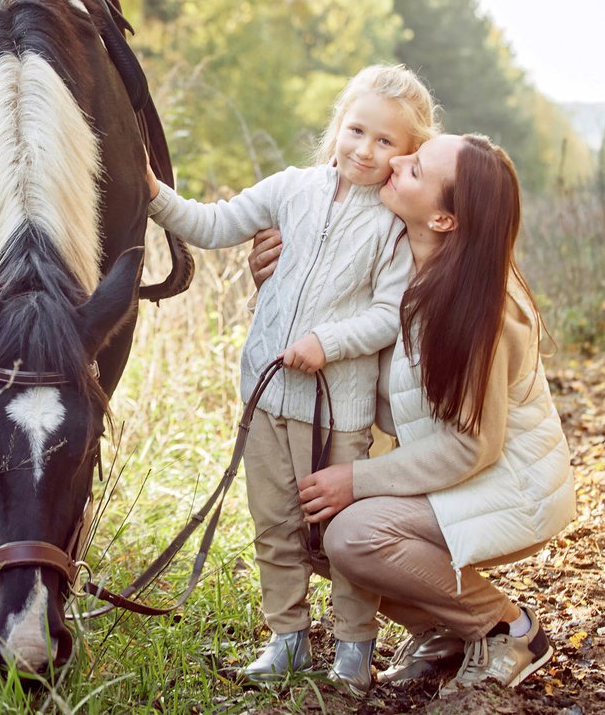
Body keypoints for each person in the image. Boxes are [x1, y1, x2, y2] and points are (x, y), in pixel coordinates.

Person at [144, 65, 438, 693]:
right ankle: (287, 639)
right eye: (356, 129)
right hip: (266, 394)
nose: (364, 149)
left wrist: (326, 344)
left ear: (410, 154)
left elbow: (389, 314)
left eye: (386, 142)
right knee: (273, 522)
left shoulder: (392, 227)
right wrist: (152, 193)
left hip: (340, 410)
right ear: (339, 125)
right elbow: (215, 224)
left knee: (336, 535)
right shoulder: (291, 189)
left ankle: (355, 649)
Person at [287, 133, 576, 696]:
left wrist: (358, 480)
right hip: (462, 474)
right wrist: (269, 260)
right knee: (313, 529)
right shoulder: (406, 258)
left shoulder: (476, 308)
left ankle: (505, 628)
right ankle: (440, 630)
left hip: (508, 484)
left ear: (444, 220)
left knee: (352, 535)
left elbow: (472, 446)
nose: (395, 162)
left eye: (414, 169)